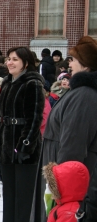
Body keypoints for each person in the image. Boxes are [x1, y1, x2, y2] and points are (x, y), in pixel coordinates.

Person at [32, 36, 97, 222]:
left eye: (74, 60)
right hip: (58, 166)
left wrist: (62, 187)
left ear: (85, 65)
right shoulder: (80, 92)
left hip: (64, 174)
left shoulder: (84, 95)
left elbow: (73, 143)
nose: (70, 63)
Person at [0, 46, 45, 222]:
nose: (10, 62)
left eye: (15, 59)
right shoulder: (6, 82)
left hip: (24, 147)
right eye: (9, 59)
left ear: (25, 63)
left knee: (23, 198)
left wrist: (25, 145)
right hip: (6, 145)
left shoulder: (32, 83)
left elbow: (34, 118)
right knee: (9, 195)